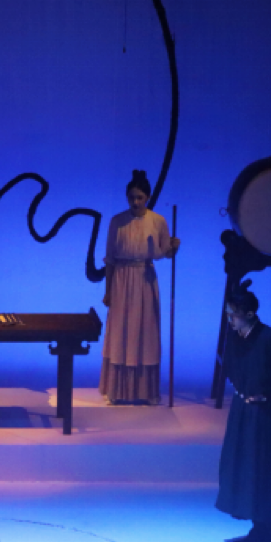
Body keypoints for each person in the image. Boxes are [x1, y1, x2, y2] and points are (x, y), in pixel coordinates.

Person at [216, 279, 271, 542]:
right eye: (228, 314)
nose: (230, 319)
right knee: (244, 467)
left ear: (250, 314)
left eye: (233, 314)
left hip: (263, 412)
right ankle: (258, 529)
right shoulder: (234, 338)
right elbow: (230, 366)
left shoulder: (269, 338)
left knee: (266, 470)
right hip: (242, 410)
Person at [100, 169, 180, 405]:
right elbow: (110, 259)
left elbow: (165, 252)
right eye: (131, 197)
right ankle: (116, 390)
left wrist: (174, 247)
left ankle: (147, 392)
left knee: (145, 332)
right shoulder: (117, 221)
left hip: (145, 279)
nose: (135, 202)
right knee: (120, 332)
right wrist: (107, 290)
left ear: (147, 197)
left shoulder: (158, 221)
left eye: (140, 198)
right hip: (121, 280)